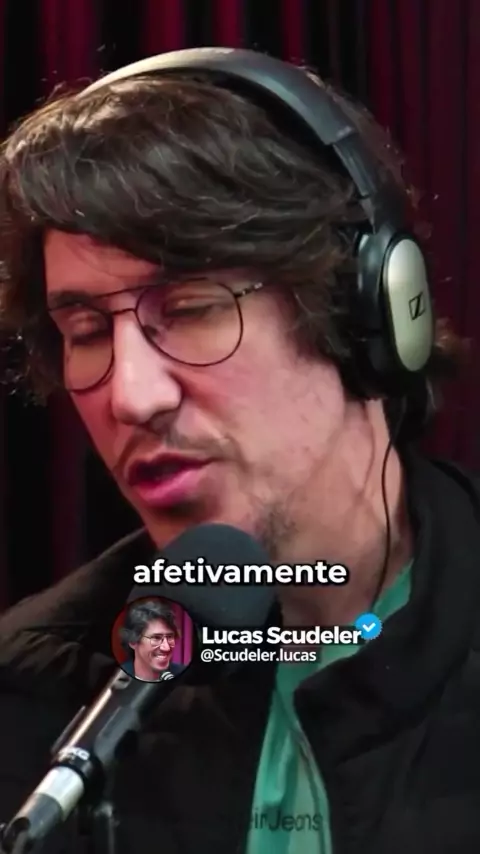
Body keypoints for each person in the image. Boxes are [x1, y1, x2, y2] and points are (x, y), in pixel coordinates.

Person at [0, 46, 478, 854]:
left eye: (191, 309)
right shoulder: (30, 695)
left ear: (360, 308)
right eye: (85, 331)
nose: (130, 396)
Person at [118, 599, 185, 681]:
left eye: (170, 637)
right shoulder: (116, 678)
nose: (166, 648)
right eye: (156, 638)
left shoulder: (185, 676)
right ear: (133, 642)